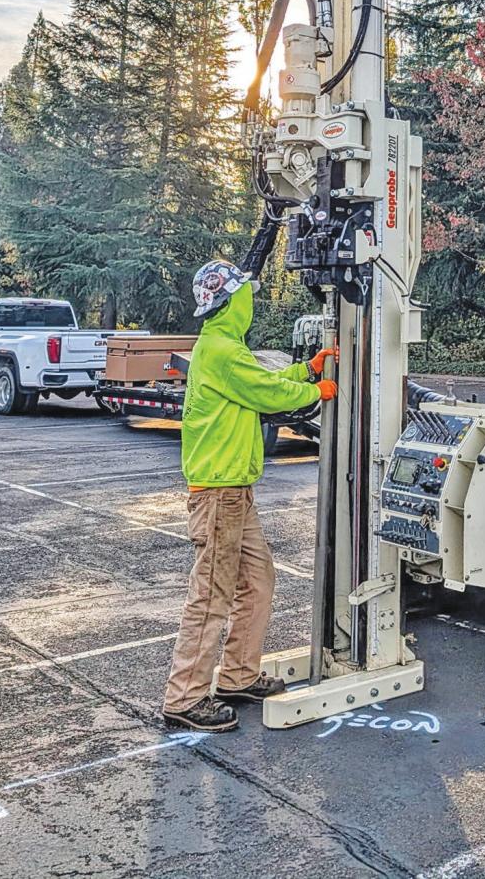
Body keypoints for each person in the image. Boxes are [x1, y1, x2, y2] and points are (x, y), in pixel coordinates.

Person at [162, 259, 337, 733]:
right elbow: (267, 392)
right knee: (212, 595)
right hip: (220, 494)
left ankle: (238, 675)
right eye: (245, 295)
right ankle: (185, 698)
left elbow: (261, 383)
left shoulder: (224, 348)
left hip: (234, 491)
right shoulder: (221, 350)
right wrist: (314, 389)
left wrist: (306, 369)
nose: (250, 301)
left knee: (256, 582)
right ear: (233, 302)